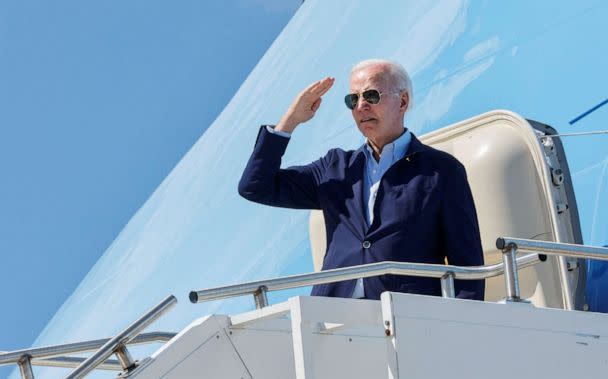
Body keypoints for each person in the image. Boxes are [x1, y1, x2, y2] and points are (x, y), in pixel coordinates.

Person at [238, 59, 484, 300]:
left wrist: (460, 329)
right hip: (333, 319)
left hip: (407, 320)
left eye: (372, 96)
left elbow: (467, 265)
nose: (361, 106)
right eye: (353, 99)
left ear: (403, 101)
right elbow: (255, 186)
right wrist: (290, 120)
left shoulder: (442, 171)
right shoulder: (335, 168)